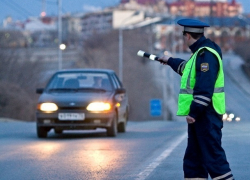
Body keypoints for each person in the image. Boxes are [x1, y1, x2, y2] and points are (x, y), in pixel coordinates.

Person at [158, 19, 234, 180]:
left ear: (187, 36)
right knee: (194, 160)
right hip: (202, 116)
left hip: (206, 115)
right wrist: (170, 60)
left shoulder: (206, 54)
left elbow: (204, 87)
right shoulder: (200, 53)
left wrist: (194, 113)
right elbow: (187, 70)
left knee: (214, 159)